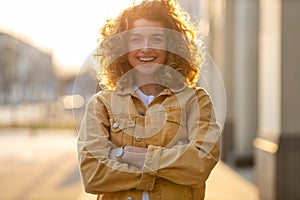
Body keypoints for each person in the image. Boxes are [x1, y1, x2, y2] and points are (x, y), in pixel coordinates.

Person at [77, 0, 221, 199]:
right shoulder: (101, 104)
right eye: (136, 39)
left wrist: (124, 155)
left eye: (156, 39)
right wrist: (174, 161)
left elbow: (200, 165)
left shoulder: (196, 100)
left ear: (171, 45)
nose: (146, 48)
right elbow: (93, 175)